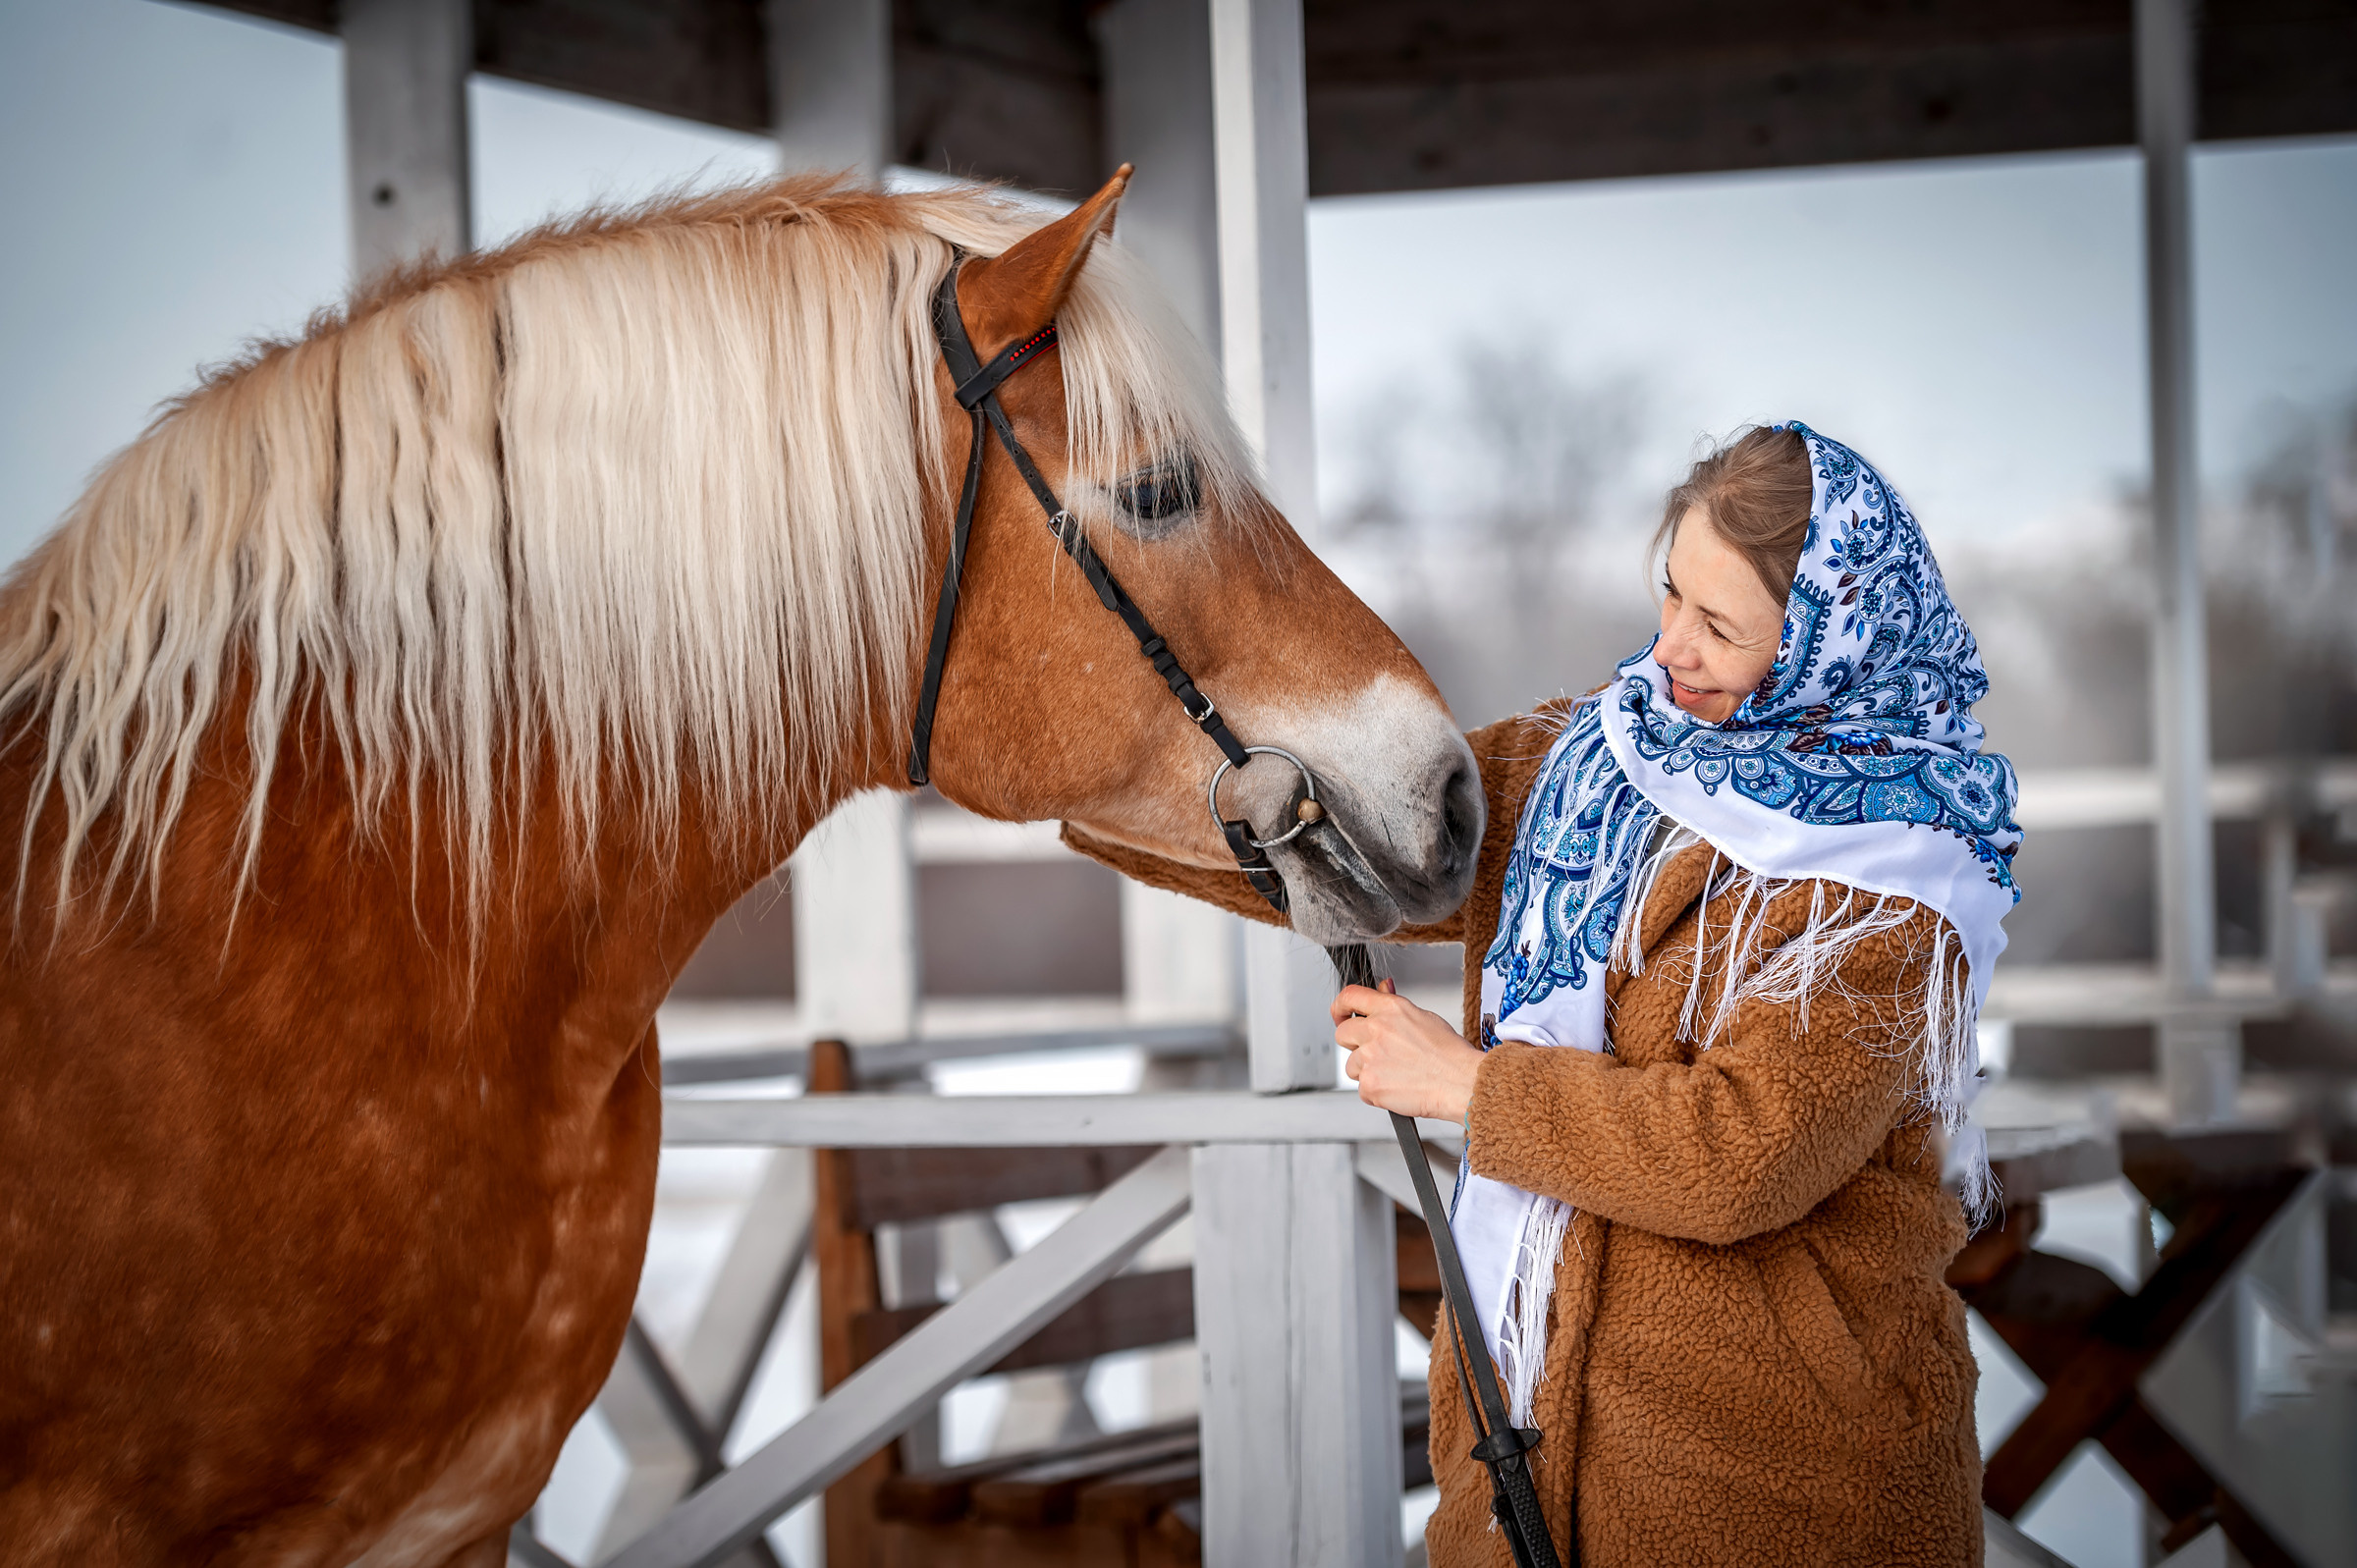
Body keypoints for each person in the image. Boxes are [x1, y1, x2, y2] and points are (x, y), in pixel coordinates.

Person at [1067, 422, 2021, 1566]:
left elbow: (1743, 1155)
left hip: (1785, 1486)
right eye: (1672, 593)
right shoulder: (1594, 758)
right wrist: (1088, 789)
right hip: (1530, 1452)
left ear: (1834, 644)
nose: (1671, 647)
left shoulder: (1894, 879)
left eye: (1722, 628)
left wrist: (1473, 1087)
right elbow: (1367, 839)